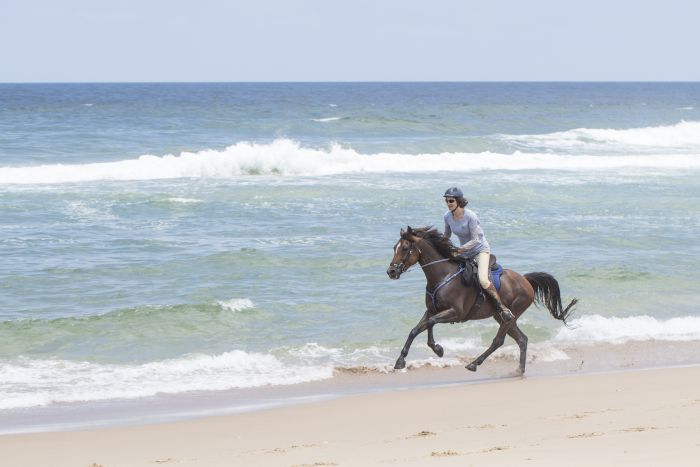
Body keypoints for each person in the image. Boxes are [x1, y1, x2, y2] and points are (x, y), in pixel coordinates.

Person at [442, 187, 515, 322]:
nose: (448, 203)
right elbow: (446, 235)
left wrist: (459, 250)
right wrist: (440, 245)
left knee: (483, 279)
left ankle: (502, 308)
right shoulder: (447, 216)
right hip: (464, 252)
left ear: (458, 201)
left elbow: (476, 240)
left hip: (480, 250)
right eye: (446, 200)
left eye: (451, 200)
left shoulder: (470, 216)